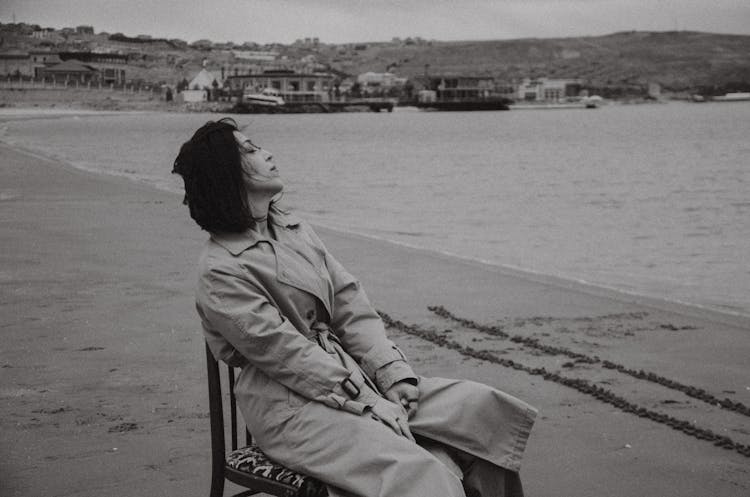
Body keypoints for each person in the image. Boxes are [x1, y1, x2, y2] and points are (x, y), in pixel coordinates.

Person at [172, 118, 537, 497]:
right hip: (292, 408)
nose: (266, 153)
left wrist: (393, 375)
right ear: (226, 175)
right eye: (248, 150)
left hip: (352, 377)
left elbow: (349, 305)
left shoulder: (292, 228)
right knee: (420, 472)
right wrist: (365, 402)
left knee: (483, 415)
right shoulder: (220, 270)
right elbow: (287, 357)